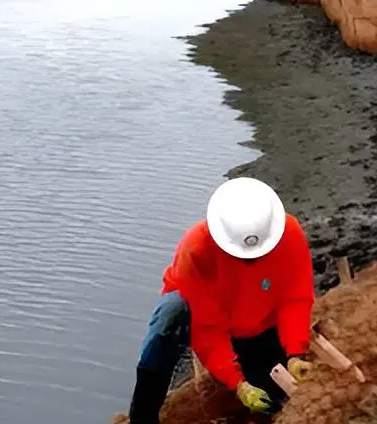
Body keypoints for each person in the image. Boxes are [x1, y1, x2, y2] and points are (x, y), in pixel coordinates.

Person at [126, 177, 316, 424]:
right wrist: (237, 384)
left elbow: (296, 299)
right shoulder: (196, 250)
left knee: (275, 401)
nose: (250, 262)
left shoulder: (289, 235)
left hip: (259, 325)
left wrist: (295, 353)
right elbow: (207, 328)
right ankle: (143, 416)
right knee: (171, 311)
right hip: (204, 319)